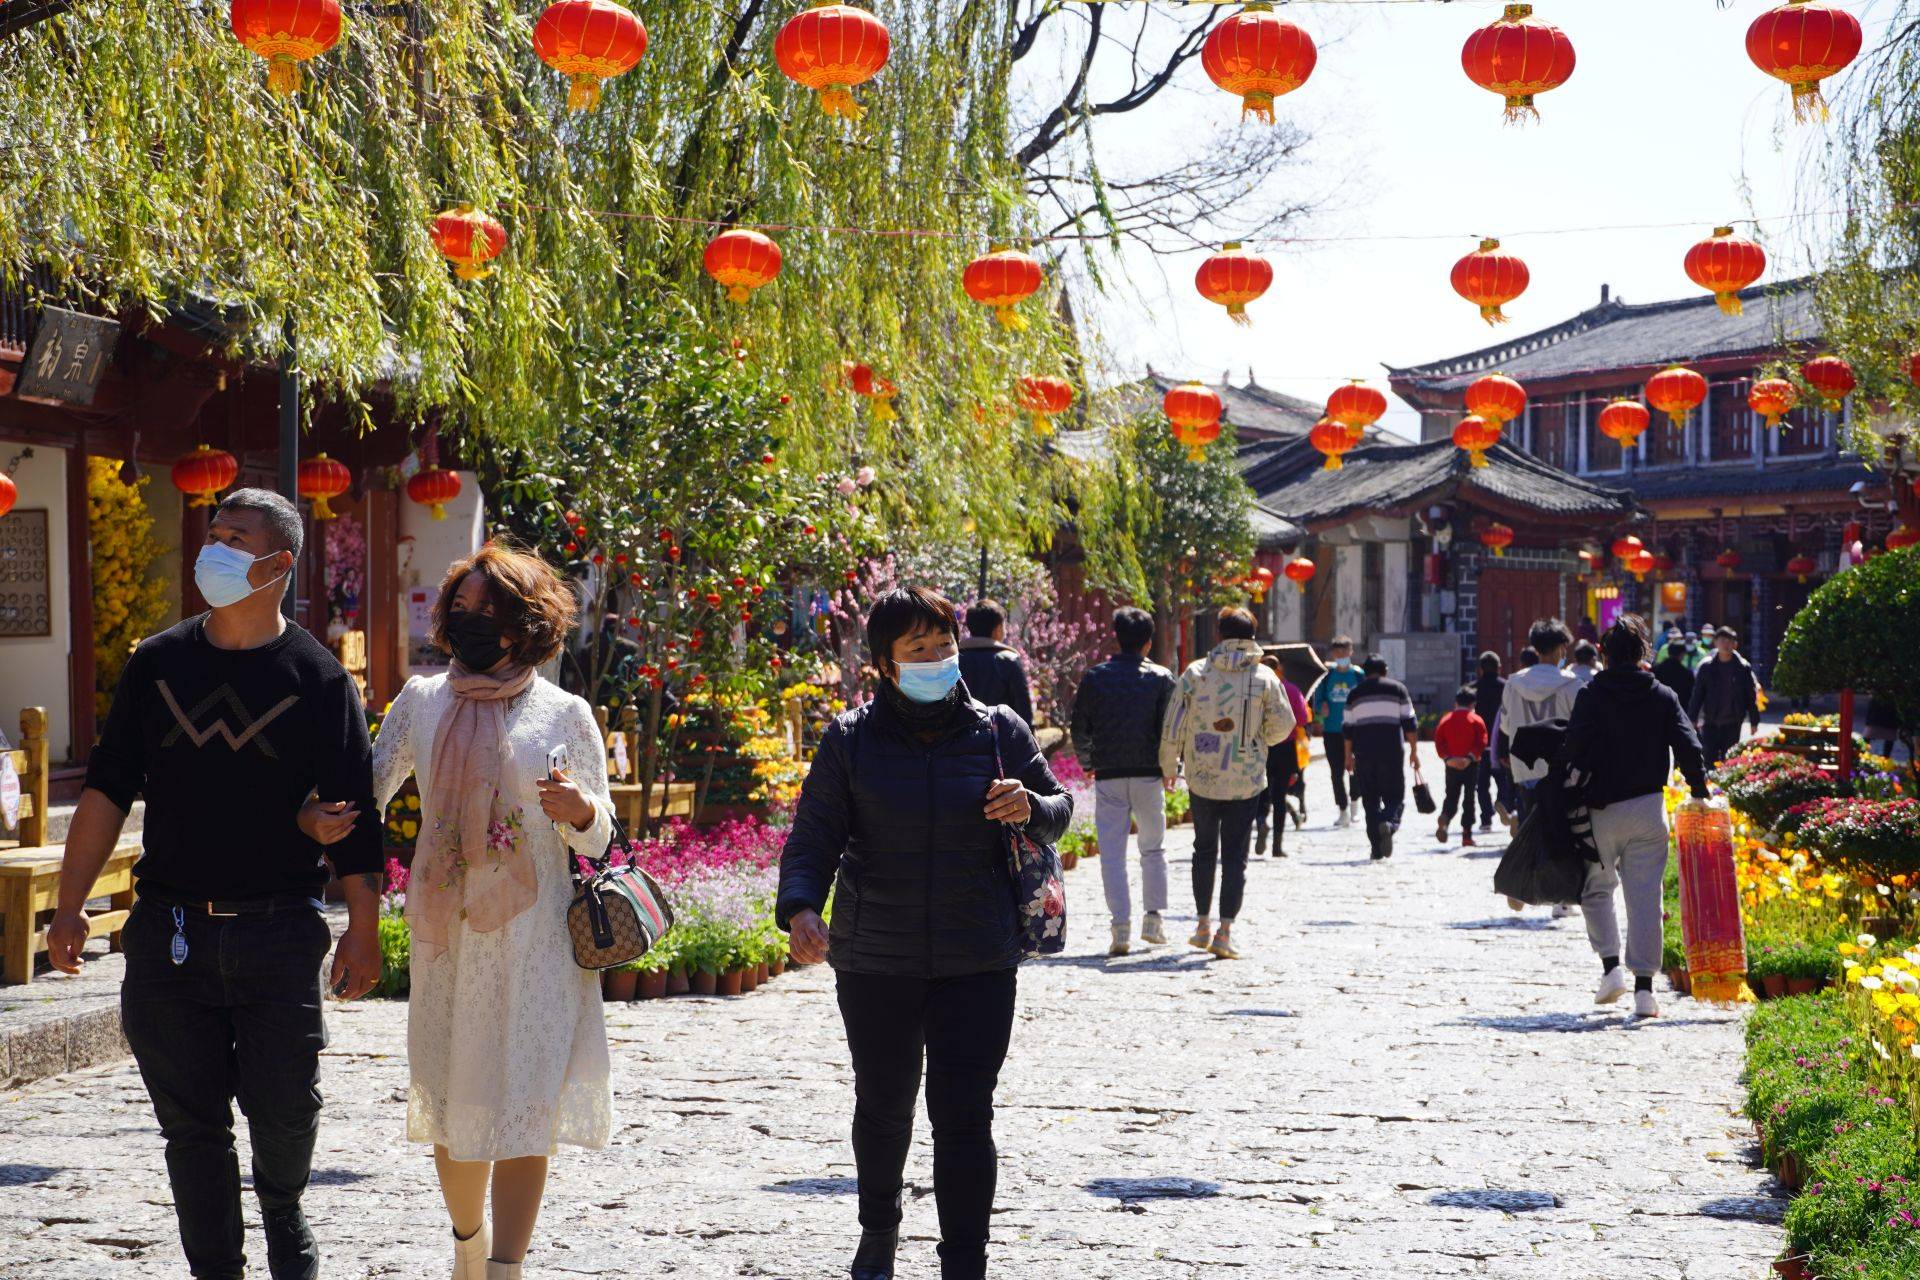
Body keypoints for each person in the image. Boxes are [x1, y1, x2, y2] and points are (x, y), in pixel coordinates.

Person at [46, 489, 383, 1280]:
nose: (218, 550)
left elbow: (355, 816)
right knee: (191, 1127)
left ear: (279, 564)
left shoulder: (319, 679)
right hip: (169, 933)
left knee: (287, 1110)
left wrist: (362, 923)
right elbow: (105, 791)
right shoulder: (157, 664)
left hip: (277, 932)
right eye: (216, 534)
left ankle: (282, 1208)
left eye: (237, 539)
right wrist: (70, 907)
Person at [777, 587, 1071, 1280]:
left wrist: (1029, 806)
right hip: (877, 957)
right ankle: (878, 1232)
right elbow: (814, 835)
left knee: (965, 1116)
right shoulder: (850, 738)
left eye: (945, 644)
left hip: (979, 954)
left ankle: (964, 1262)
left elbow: (1058, 810)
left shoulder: (998, 729)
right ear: (884, 662)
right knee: (883, 1107)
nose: (938, 658)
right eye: (919, 649)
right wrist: (799, 908)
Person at [370, 544, 616, 1280]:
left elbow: (603, 834)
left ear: (527, 623)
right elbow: (367, 790)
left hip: (538, 941)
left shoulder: (564, 714)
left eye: (492, 610)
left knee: (526, 1108)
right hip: (450, 942)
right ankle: (468, 1243)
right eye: (463, 609)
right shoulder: (421, 702)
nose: (473, 621)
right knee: (454, 1101)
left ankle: (505, 1268)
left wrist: (581, 812)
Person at [1564, 615, 1710, 1020]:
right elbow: (1689, 744)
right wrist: (1699, 790)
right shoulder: (1662, 695)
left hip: (1601, 808)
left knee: (1596, 888)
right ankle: (1645, 991)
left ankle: (1611, 968)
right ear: (1644, 652)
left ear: (1605, 655)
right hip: (1648, 808)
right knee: (1645, 899)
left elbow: (1573, 746)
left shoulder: (1592, 695)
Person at [1159, 606, 1294, 959]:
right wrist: (1258, 738)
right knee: (1236, 856)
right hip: (1246, 777)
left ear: (1219, 635)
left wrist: (1168, 763)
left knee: (1203, 849)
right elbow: (1285, 723)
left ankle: (1201, 924)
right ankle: (1224, 932)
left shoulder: (1194, 673)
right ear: (1253, 635)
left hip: (1202, 775)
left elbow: (1173, 722)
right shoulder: (1265, 677)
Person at [1069, 606, 1175, 957]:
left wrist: (1087, 762)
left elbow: (1080, 726)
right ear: (1148, 642)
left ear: (1117, 636)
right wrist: (1171, 766)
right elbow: (1169, 730)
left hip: (1110, 774)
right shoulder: (1161, 678)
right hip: (1148, 774)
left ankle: (1120, 927)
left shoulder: (1096, 677)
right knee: (1153, 848)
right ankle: (1153, 919)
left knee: (1112, 855)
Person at [1498, 619, 1583, 824]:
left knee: (1531, 830)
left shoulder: (1513, 684)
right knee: (1560, 830)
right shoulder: (1572, 685)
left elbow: (1505, 726)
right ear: (1561, 648)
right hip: (1562, 771)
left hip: (1524, 769)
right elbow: (1581, 728)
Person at [1343, 654, 1420, 859]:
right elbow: (1410, 723)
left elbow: (1348, 729)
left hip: (1364, 755)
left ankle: (1376, 850)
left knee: (1370, 802)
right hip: (1392, 754)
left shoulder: (1354, 694)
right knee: (1395, 798)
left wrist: (1347, 757)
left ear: (1365, 672)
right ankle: (1389, 822)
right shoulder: (1398, 689)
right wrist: (1414, 751)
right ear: (1385, 670)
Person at [1254, 654, 1311, 859]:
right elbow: (1303, 718)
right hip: (1285, 747)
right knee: (1279, 796)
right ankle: (1277, 846)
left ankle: (1261, 821)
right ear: (1280, 669)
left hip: (1261, 747)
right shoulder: (1292, 690)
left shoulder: (1254, 688)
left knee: (1260, 790)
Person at [1307, 636, 1363, 827]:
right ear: (1332, 653)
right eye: (1337, 652)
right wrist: (1320, 709)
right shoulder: (1327, 675)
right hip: (1332, 730)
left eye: (1344, 651)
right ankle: (1342, 809)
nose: (1341, 655)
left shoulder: (1358, 674)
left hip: (1355, 730)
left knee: (1355, 769)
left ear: (1351, 652)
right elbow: (1317, 698)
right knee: (1336, 772)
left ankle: (1355, 805)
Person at [957, 598, 1036, 730]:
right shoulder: (1008, 660)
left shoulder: (955, 659)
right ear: (998, 628)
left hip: (960, 739)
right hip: (1001, 739)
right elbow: (1024, 709)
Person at [1689, 624, 1761, 767]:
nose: (1725, 644)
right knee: (1709, 760)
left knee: (1730, 761)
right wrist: (1692, 718)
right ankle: (1710, 788)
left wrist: (1754, 720)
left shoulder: (1742, 667)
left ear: (1735, 644)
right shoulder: (1706, 667)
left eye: (1729, 641)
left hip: (1733, 722)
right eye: (1722, 640)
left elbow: (1750, 696)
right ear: (1715, 643)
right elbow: (1698, 694)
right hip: (1710, 721)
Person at [1433, 687, 1488, 848]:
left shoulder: (1446, 719)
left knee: (1451, 795)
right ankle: (1467, 836)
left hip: (1451, 764)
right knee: (1469, 799)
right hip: (1470, 764)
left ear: (1456, 703)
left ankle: (1445, 817)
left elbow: (1439, 741)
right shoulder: (1476, 720)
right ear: (1473, 703)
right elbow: (1482, 740)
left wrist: (1448, 758)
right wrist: (1470, 757)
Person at [1470, 651, 1511, 831]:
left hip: (1478, 745)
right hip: (1500, 743)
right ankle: (1502, 802)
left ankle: (1486, 818)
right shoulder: (1506, 688)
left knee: (1482, 784)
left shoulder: (1472, 689)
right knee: (1504, 780)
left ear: (1480, 669)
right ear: (1499, 667)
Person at [1653, 635, 1696, 709]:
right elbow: (1690, 697)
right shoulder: (1687, 674)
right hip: (1678, 711)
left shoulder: (1655, 670)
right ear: (1683, 654)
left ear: (1668, 653)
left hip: (1658, 710)